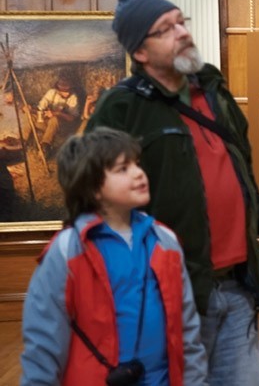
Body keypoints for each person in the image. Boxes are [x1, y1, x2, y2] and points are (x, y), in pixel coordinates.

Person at [86, 0, 259, 385]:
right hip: (168, 297)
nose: (182, 33)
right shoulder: (121, 108)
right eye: (166, 30)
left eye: (181, 22)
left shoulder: (215, 93)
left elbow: (239, 169)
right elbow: (90, 199)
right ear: (140, 52)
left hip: (237, 287)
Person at [19, 127, 207, 385]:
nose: (139, 173)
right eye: (122, 169)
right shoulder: (67, 251)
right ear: (93, 188)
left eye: (137, 164)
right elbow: (43, 345)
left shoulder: (166, 241)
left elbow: (188, 332)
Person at [35, 74, 80, 154]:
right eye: (64, 91)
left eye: (68, 90)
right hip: (48, 124)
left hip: (61, 127)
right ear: (58, 90)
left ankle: (45, 145)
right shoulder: (52, 93)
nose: (67, 93)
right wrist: (38, 111)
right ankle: (21, 142)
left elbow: (72, 118)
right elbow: (41, 106)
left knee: (54, 119)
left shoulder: (73, 97)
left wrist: (58, 113)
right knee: (29, 116)